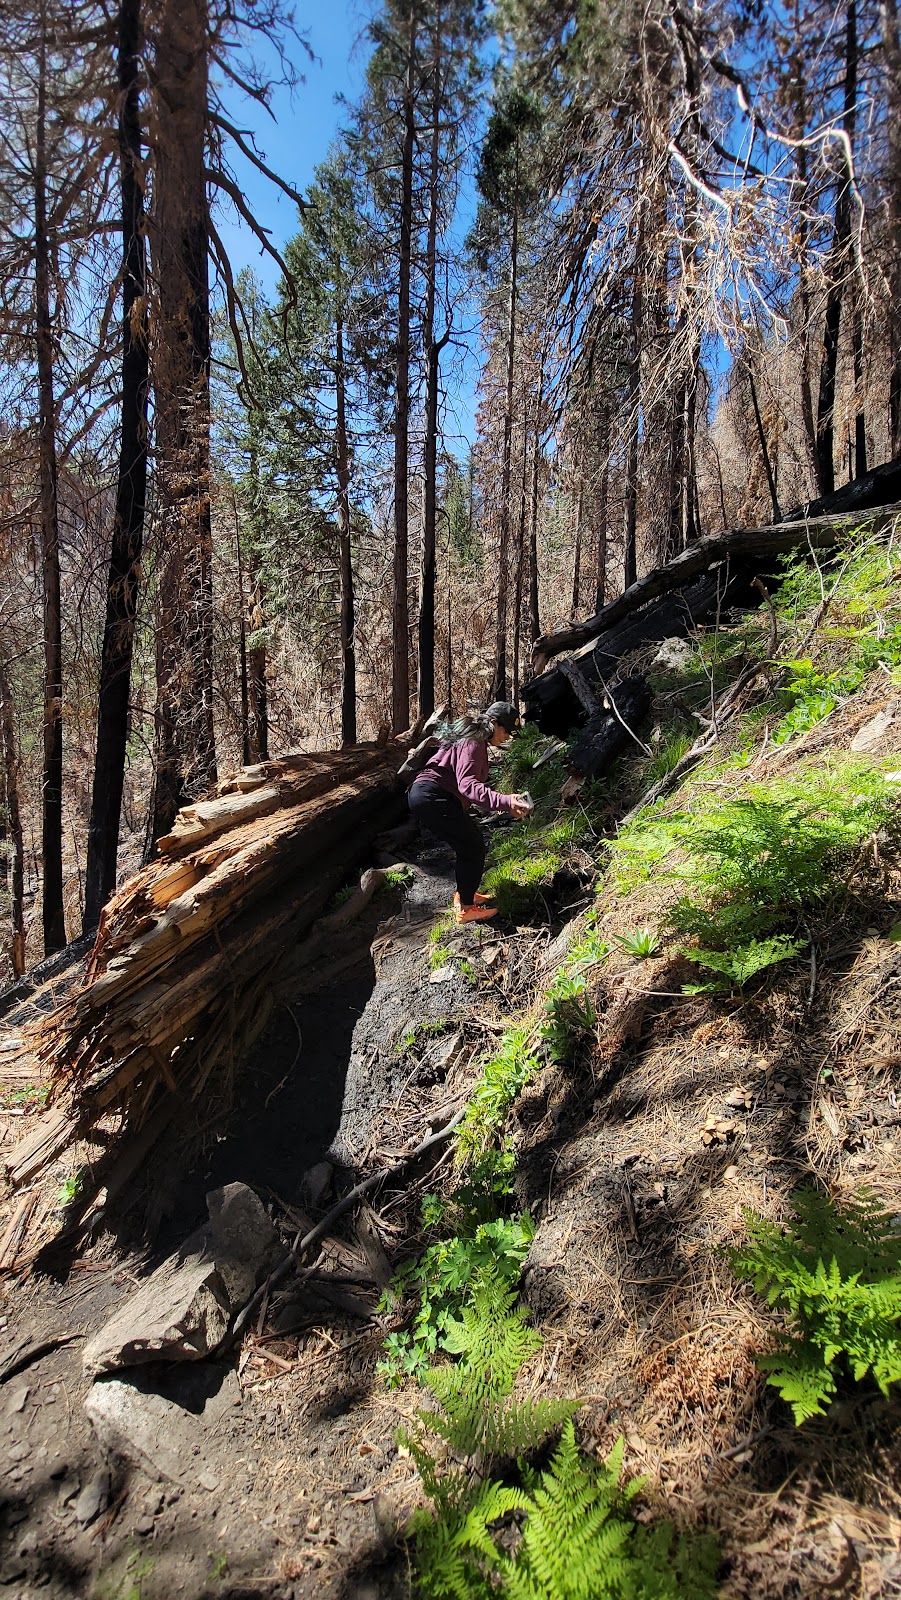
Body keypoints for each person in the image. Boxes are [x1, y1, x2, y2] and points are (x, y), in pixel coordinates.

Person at [407, 701, 532, 924]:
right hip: (433, 796)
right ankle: (466, 909)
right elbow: (469, 786)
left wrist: (506, 803)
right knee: (472, 846)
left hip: (428, 795)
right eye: (507, 731)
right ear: (493, 723)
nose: (508, 737)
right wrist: (506, 801)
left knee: (469, 843)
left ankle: (466, 894)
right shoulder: (474, 742)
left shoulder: (470, 736)